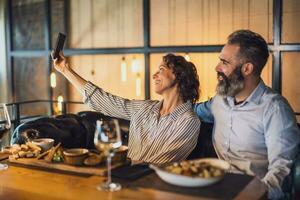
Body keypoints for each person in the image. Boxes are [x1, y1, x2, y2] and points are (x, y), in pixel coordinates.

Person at [194, 29, 300, 199]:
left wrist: (251, 195)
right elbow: (192, 112)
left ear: (247, 68)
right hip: (214, 189)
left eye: (225, 62)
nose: (217, 67)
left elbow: (282, 173)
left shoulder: (275, 109)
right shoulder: (220, 101)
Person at [52, 53, 201, 165]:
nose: (154, 75)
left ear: (178, 75)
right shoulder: (144, 108)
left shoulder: (189, 121)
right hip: (124, 177)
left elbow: (162, 163)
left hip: (153, 186)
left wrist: (117, 166)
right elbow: (104, 101)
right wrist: (65, 69)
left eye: (161, 69)